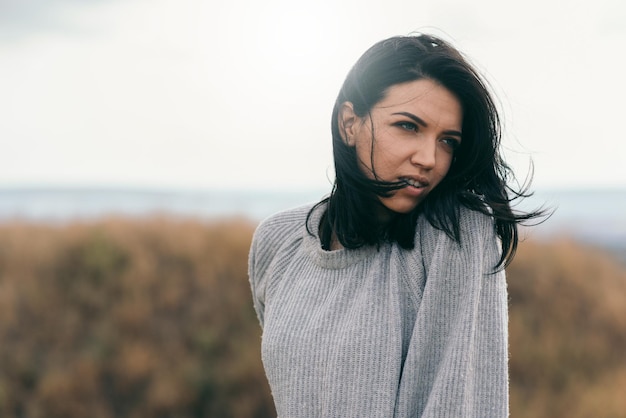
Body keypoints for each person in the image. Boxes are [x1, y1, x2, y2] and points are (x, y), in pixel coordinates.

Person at [248, 33, 543, 417]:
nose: (429, 158)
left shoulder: (456, 235)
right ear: (349, 123)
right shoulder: (279, 241)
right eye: (408, 126)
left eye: (448, 141)